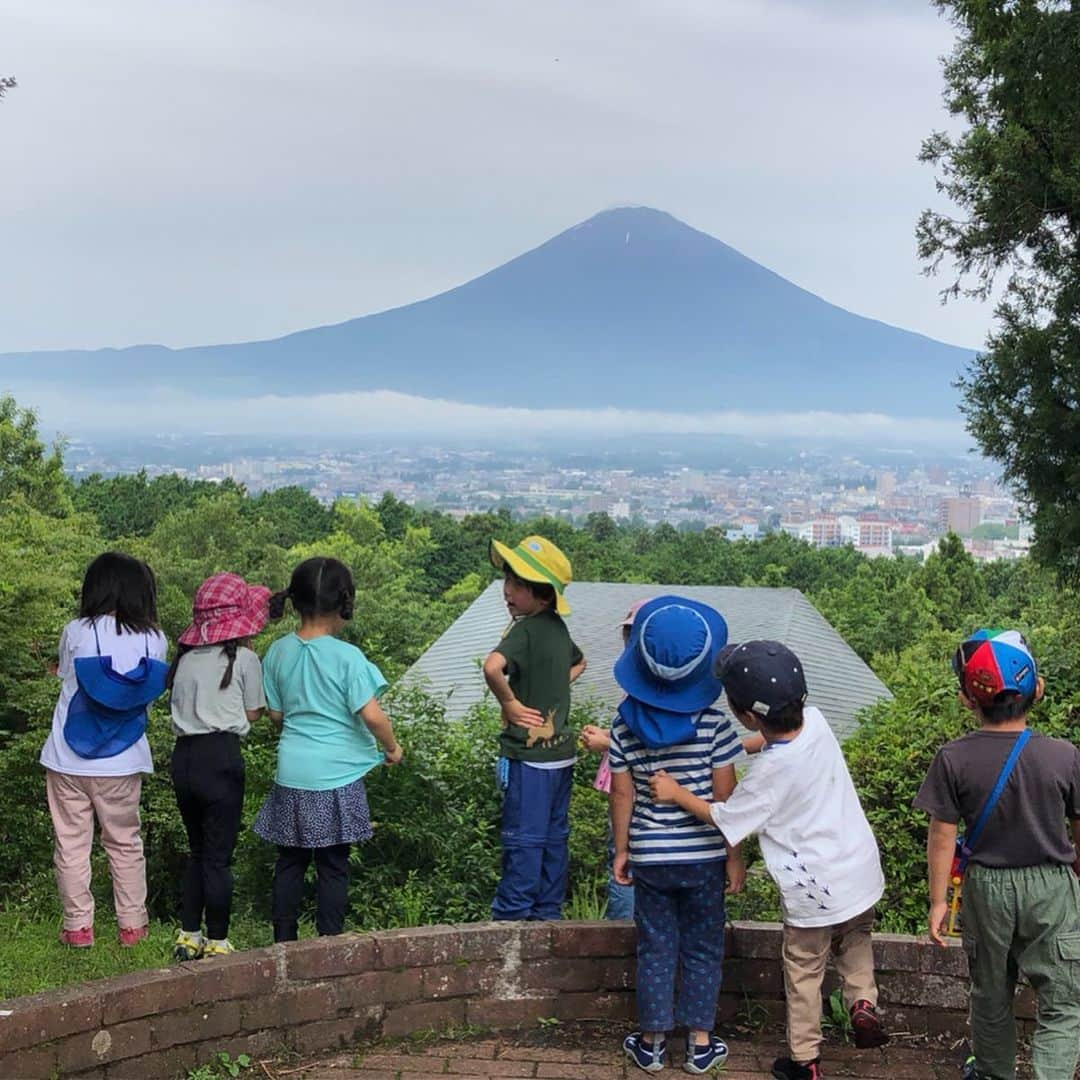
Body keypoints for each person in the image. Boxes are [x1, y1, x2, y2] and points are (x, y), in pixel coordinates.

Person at [651, 640, 888, 1080]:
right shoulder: (815, 721)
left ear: (746, 713)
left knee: (804, 969)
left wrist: (677, 793)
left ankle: (805, 1062)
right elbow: (772, 738)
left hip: (814, 890)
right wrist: (737, 747)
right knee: (856, 939)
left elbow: (724, 820)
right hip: (857, 869)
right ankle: (862, 1002)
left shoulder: (766, 778)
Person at [914, 629, 1080, 1080]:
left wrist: (938, 902)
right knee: (1063, 1000)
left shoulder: (953, 758)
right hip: (1051, 884)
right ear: (1038, 689)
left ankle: (993, 1073)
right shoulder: (1064, 756)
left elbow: (942, 836)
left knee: (990, 992)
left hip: (986, 887)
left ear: (968, 699)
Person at [609, 595, 744, 1075]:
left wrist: (623, 850)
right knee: (704, 946)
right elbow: (726, 804)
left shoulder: (622, 725)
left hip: (650, 856)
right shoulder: (715, 726)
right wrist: (734, 858)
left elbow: (621, 795)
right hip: (704, 857)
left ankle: (651, 1043)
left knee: (656, 945)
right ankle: (701, 1044)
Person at [253, 557, 402, 942]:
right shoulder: (348, 658)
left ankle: (283, 944)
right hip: (337, 775)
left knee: (290, 861)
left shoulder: (277, 652)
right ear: (343, 602)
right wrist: (392, 747)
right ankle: (328, 946)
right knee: (333, 866)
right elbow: (372, 715)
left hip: (292, 770)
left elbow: (275, 714)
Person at [39, 552, 167, 948]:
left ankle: (78, 928)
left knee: (72, 843)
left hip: (67, 757)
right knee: (125, 842)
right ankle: (132, 927)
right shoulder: (155, 639)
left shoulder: (76, 631)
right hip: (124, 759)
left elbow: (64, 675)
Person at [168, 573, 270, 961]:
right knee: (219, 855)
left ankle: (188, 934)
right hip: (222, 757)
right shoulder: (245, 659)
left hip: (184, 758)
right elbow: (253, 712)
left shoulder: (184, 659)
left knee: (197, 852)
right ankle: (219, 940)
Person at [483, 535, 586, 921]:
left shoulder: (524, 632)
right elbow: (581, 663)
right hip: (561, 756)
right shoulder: (558, 628)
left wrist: (510, 703)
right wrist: (552, 691)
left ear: (542, 595)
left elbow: (492, 667)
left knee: (523, 839)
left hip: (529, 759)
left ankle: (512, 917)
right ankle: (547, 914)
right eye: (508, 582)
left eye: (518, 585)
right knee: (553, 838)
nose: (508, 591)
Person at [579, 599, 647, 921]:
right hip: (643, 794)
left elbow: (646, 743)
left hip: (632, 794)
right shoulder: (666, 688)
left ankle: (621, 940)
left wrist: (606, 741)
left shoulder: (642, 688)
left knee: (623, 866)